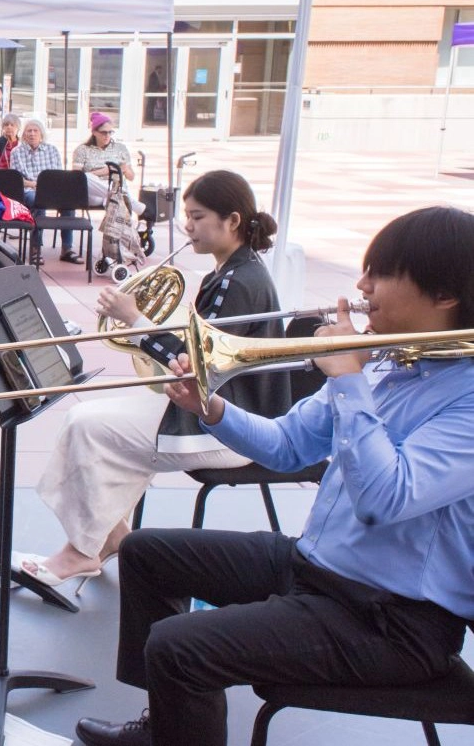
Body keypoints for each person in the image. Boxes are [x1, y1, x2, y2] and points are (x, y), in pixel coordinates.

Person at [77, 205, 474, 746]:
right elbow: (286, 447)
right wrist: (210, 408)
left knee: (179, 646)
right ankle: (169, 726)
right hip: (317, 566)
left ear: (446, 295)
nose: (361, 286)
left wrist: (351, 382)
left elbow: (386, 498)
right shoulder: (384, 362)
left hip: (393, 621)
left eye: (381, 273)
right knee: (146, 553)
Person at [20, 170, 290, 590]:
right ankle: (109, 538)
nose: (188, 226)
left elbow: (195, 365)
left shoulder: (239, 282)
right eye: (187, 215)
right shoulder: (236, 271)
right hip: (214, 408)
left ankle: (85, 550)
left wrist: (134, 318)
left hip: (227, 426)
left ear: (232, 221)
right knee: (87, 421)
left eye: (197, 217)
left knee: (90, 428)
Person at [7, 117, 70, 264]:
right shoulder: (17, 152)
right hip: (28, 190)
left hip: (51, 188)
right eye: (29, 131)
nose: (32, 134)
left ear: (41, 134)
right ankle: (36, 248)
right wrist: (34, 184)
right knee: (37, 200)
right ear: (23, 134)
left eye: (36, 131)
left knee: (68, 203)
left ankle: (67, 248)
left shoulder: (52, 150)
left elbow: (58, 175)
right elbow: (15, 179)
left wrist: (46, 186)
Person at [73, 112, 134, 207]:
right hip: (93, 192)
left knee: (110, 199)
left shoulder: (120, 148)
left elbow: (131, 177)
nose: (107, 135)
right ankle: (132, 203)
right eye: (103, 132)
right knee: (88, 177)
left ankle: (117, 198)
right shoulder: (82, 149)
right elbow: (76, 178)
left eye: (110, 132)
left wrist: (125, 169)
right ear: (94, 132)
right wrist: (104, 171)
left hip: (116, 186)